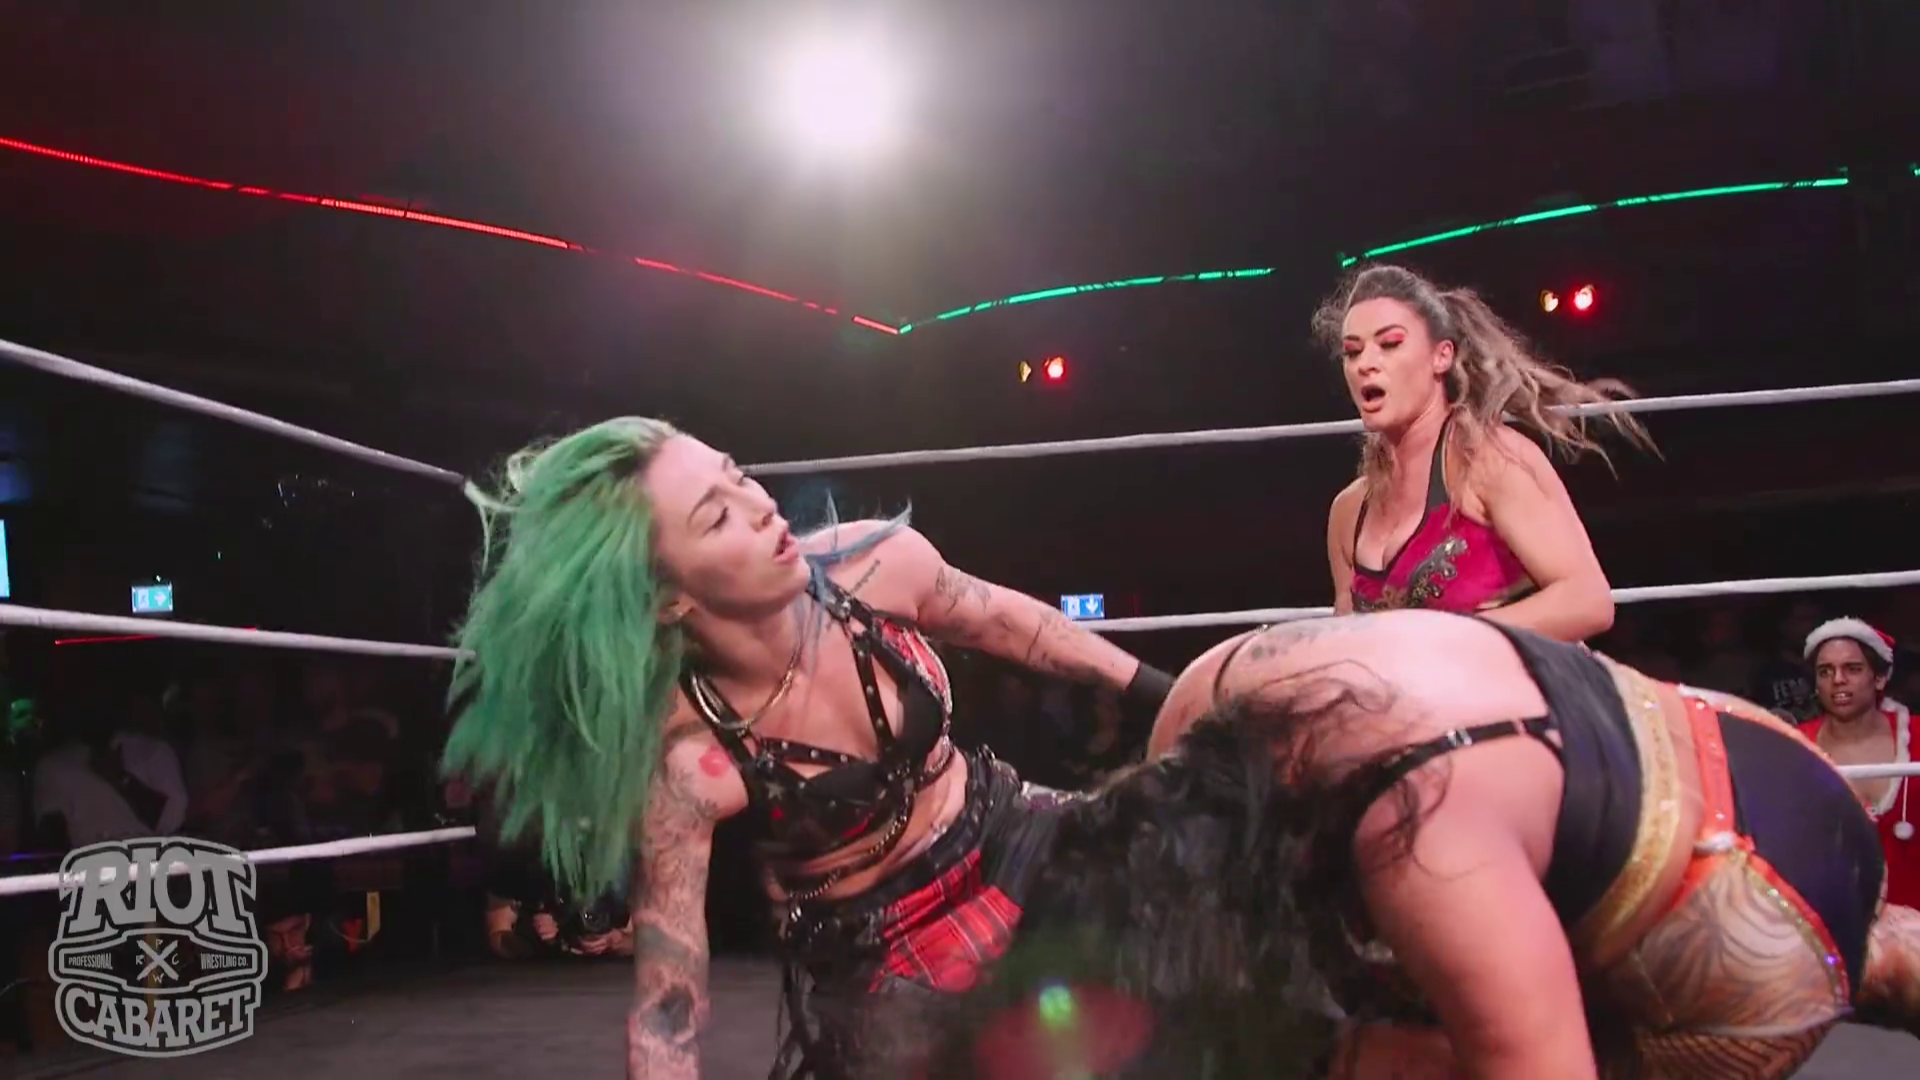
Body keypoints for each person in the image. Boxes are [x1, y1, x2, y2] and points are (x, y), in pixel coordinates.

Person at [438, 417, 1175, 1080]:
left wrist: (1173, 695)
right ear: (669, 599)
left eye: (738, 475)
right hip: (889, 946)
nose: (761, 506)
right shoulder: (691, 760)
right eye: (717, 515)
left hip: (1011, 831)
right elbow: (669, 998)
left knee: (1192, 894)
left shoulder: (879, 564)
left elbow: (1016, 625)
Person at [909, 610, 1920, 1080]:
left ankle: (1882, 965)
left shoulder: (1420, 837)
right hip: (1745, 749)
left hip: (1760, 930)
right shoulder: (1214, 690)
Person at [1319, 265, 1653, 641]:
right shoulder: (1348, 513)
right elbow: (1348, 644)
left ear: (1441, 357)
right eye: (1352, 352)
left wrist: (1446, 641)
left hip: (1511, 675)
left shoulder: (1489, 462)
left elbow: (1587, 600)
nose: (1365, 364)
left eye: (1390, 344)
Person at [1798, 617, 1917, 909]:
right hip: (1834, 923)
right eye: (1825, 671)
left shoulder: (1917, 736)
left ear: (1880, 678)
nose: (1838, 680)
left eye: (1852, 668)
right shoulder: (1795, 745)